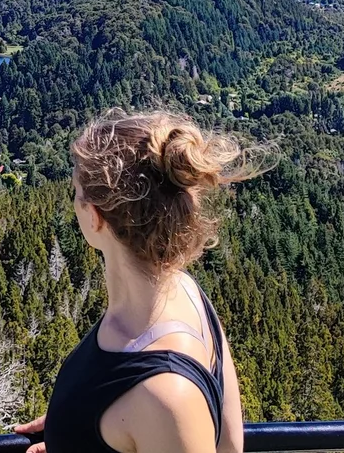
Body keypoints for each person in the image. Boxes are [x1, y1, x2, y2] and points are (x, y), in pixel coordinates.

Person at [14, 108, 259, 453]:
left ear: (95, 216)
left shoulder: (165, 396)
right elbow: (231, 443)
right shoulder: (186, 293)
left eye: (76, 192)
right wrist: (75, 426)